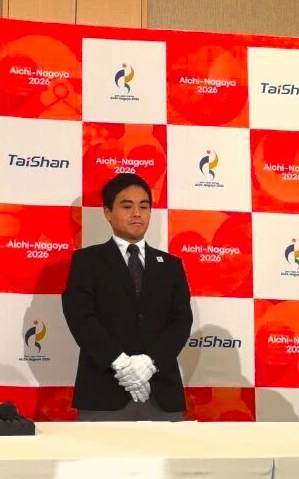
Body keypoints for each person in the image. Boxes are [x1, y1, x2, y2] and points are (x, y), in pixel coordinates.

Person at [62, 173, 193, 421]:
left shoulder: (171, 266)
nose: (137, 213)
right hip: (104, 393)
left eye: (144, 206)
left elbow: (181, 322)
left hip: (161, 393)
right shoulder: (87, 261)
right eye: (127, 206)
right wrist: (122, 365)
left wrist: (149, 364)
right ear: (107, 212)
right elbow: (81, 318)